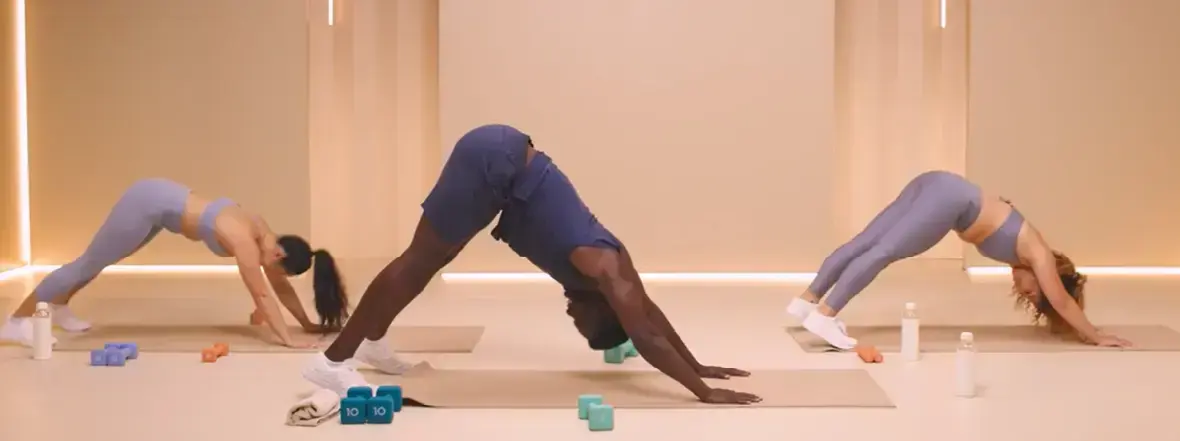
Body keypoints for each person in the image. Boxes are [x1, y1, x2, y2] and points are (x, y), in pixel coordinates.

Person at [300, 124, 761, 405]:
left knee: (436, 257)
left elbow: (649, 314)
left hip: (504, 166)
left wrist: (697, 365)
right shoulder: (604, 271)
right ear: (603, 308)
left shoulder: (613, 277)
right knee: (418, 260)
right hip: (495, 161)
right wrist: (702, 392)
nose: (571, 318)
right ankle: (332, 360)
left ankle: (371, 342)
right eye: (583, 325)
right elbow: (645, 334)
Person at [786, 170, 1133, 350]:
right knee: (884, 250)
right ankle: (826, 315)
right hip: (948, 200)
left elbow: (1056, 298)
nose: (1024, 290)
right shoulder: (1037, 252)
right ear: (1049, 275)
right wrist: (1094, 334)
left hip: (936, 183)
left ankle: (806, 302)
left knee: (866, 242)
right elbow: (1060, 299)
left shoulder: (1024, 249)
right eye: (1032, 292)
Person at [0, 178, 348, 349]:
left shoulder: (265, 233)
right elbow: (262, 295)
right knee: (87, 263)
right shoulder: (245, 240)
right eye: (279, 270)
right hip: (146, 202)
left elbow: (278, 286)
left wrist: (306, 323)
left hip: (160, 210)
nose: (276, 275)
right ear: (279, 256)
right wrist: (287, 338)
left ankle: (59, 307)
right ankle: (15, 321)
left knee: (101, 262)